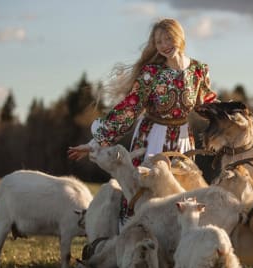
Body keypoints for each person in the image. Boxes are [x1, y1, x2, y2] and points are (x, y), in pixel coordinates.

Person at [68, 18, 218, 219]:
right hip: (152, 139)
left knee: (183, 194)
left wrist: (240, 116)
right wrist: (94, 143)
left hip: (183, 141)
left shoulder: (198, 70)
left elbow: (207, 105)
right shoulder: (151, 74)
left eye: (168, 39)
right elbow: (129, 109)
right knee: (147, 193)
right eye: (159, 42)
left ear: (180, 37)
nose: (164, 46)